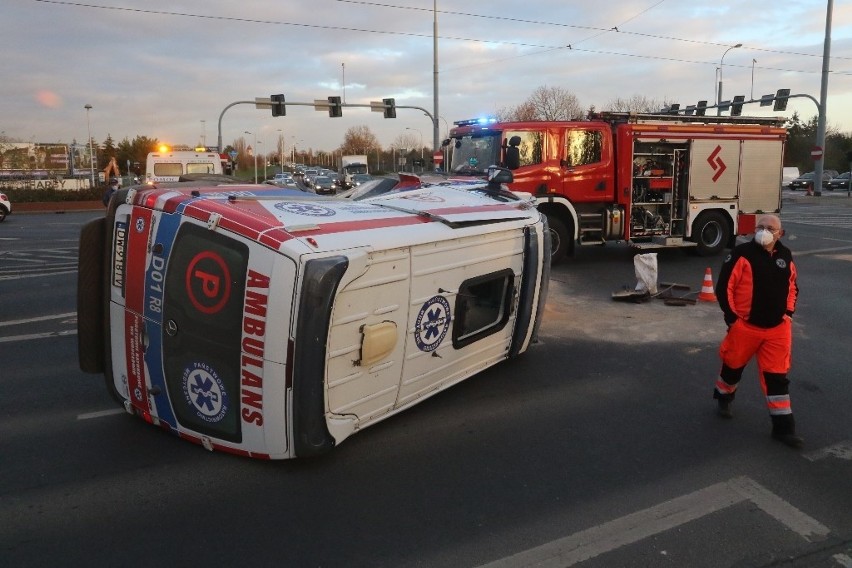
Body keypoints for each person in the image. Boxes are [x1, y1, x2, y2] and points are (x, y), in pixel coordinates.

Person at [712, 213, 802, 448]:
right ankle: (724, 396)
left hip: (777, 330)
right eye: (760, 226)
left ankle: (783, 429)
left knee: (777, 379)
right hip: (745, 327)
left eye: (770, 228)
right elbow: (724, 289)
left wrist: (788, 314)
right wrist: (732, 320)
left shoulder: (785, 255)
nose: (764, 230)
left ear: (780, 233)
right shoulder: (741, 254)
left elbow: (793, 287)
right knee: (732, 367)